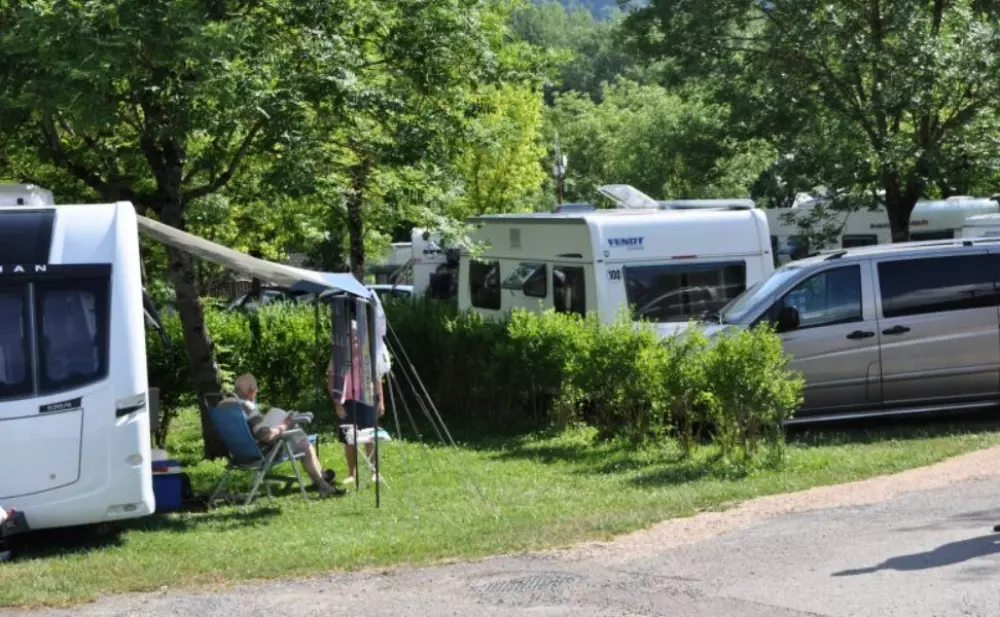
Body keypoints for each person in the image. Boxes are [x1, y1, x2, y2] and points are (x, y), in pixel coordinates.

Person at [229, 374, 343, 498]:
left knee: (276, 413)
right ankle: (322, 484)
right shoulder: (247, 406)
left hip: (237, 453)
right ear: (250, 389)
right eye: (256, 390)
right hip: (261, 453)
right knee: (303, 443)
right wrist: (285, 424)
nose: (255, 393)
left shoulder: (223, 405)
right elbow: (266, 437)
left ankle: (322, 476)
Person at [327, 320, 386, 486]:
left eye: (356, 336)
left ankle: (375, 471)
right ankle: (352, 473)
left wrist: (381, 400)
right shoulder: (338, 356)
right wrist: (337, 404)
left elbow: (377, 378)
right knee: (349, 438)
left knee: (369, 436)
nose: (354, 339)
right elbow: (331, 382)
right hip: (346, 401)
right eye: (350, 336)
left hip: (366, 398)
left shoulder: (367, 354)